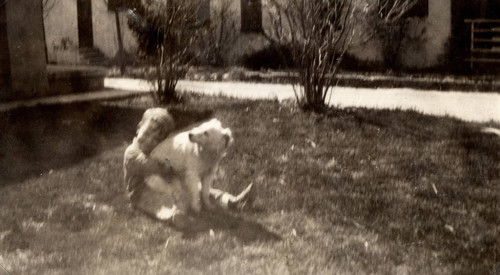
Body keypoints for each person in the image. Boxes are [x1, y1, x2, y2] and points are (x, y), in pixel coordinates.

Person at [123, 108, 254, 226]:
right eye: (146, 134)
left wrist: (169, 164)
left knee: (197, 189)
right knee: (157, 203)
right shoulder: (131, 152)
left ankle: (230, 201)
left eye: (157, 138)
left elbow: (166, 163)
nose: (150, 140)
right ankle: (174, 217)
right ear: (139, 127)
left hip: (162, 182)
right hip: (141, 192)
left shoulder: (154, 151)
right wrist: (167, 167)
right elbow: (151, 165)